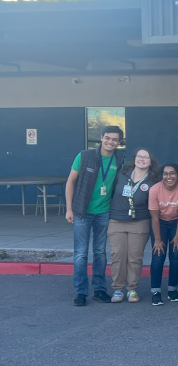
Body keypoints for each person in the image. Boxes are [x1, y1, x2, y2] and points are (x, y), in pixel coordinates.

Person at [64, 124, 125, 306]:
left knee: (100, 252)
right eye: (107, 138)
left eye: (115, 139)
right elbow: (70, 182)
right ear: (101, 137)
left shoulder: (119, 159)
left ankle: (99, 290)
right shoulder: (84, 156)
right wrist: (69, 209)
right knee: (81, 254)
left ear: (119, 142)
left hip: (104, 212)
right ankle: (81, 292)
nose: (110, 142)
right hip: (83, 212)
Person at [108, 147, 159, 303]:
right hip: (116, 220)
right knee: (117, 255)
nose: (141, 159)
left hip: (139, 222)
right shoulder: (122, 175)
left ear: (151, 162)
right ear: (134, 158)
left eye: (146, 157)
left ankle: (132, 289)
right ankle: (117, 289)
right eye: (139, 156)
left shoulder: (153, 180)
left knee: (135, 257)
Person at [148, 162, 178, 305]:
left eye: (172, 173)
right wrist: (158, 240)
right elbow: (155, 217)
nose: (169, 176)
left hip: (177, 222)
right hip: (160, 223)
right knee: (158, 256)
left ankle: (172, 289)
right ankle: (155, 291)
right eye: (165, 173)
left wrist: (177, 236)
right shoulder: (154, 189)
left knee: (176, 256)